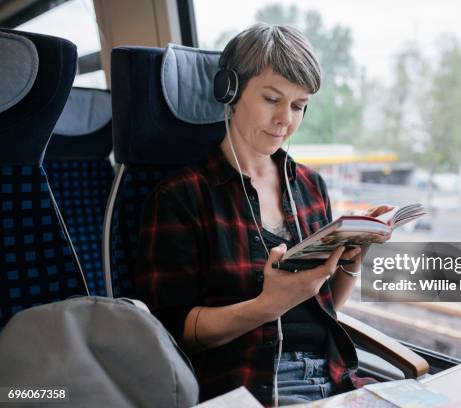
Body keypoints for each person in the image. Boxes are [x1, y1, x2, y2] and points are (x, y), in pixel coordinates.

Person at [136, 23, 392, 406]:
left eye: (299, 106)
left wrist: (354, 258)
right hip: (252, 387)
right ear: (231, 92)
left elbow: (325, 308)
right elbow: (173, 331)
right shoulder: (181, 196)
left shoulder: (310, 185)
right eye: (272, 99)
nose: (285, 121)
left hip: (337, 377)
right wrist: (266, 306)